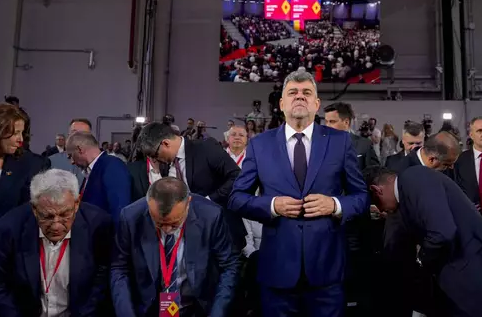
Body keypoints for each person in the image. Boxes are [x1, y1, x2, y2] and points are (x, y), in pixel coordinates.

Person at [228, 70, 369, 317]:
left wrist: (335, 205)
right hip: (277, 271)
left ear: (317, 104)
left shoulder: (340, 141)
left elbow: (361, 196)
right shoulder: (260, 144)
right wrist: (272, 206)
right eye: (292, 93)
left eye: (307, 93)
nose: (300, 97)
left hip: (327, 270)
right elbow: (237, 198)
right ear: (282, 104)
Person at [365, 165, 482, 317]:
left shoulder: (413, 177)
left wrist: (421, 258)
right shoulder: (409, 189)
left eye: (377, 204)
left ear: (377, 190)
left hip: (476, 278)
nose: (382, 210)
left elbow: (442, 232)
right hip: (468, 277)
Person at [111, 177, 241, 317]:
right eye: (159, 223)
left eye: (174, 224)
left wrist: (217, 313)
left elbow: (229, 266)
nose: (167, 230)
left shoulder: (211, 216)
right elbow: (119, 268)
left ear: (188, 204)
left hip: (196, 307)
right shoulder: (131, 217)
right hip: (149, 308)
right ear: (148, 205)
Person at [0, 169, 112, 316]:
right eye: (47, 216)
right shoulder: (9, 227)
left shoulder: (99, 225)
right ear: (34, 208)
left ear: (77, 203)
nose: (56, 226)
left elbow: (101, 282)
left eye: (65, 214)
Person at [0, 103, 47, 317]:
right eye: (14, 133)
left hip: (9, 264)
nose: (20, 139)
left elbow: (31, 214)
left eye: (22, 133)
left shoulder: (32, 165)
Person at [380, 132, 462, 316]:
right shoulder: (400, 168)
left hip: (436, 248)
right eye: (448, 164)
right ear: (433, 160)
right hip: (407, 248)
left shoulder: (443, 163)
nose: (451, 167)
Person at [135, 122, 245, 249]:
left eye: (155, 155)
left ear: (166, 143)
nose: (155, 160)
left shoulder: (206, 148)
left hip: (222, 231)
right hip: (191, 239)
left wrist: (209, 200)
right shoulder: (165, 163)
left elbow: (237, 176)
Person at [323, 101, 379, 315]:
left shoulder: (363, 146)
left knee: (356, 268)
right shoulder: (318, 145)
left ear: (346, 122)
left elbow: (374, 176)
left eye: (332, 121)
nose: (327, 125)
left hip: (356, 220)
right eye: (325, 121)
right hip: (326, 220)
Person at [65, 131, 131, 224]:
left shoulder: (112, 166)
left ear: (80, 149)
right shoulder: (92, 170)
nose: (72, 161)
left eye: (70, 156)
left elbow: (119, 209)